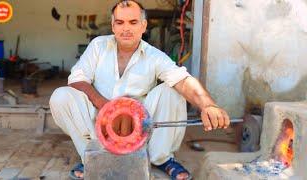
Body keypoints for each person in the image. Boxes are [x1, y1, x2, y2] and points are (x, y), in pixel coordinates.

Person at [49, 1, 230, 179]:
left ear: (143, 26)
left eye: (133, 22)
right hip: (101, 121)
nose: (126, 28)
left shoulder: (154, 56)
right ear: (113, 26)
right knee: (61, 96)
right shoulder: (98, 46)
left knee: (173, 90)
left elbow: (183, 80)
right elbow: (77, 80)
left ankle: (161, 157)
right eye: (120, 22)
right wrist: (105, 105)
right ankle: (93, 155)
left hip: (138, 124)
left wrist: (208, 105)